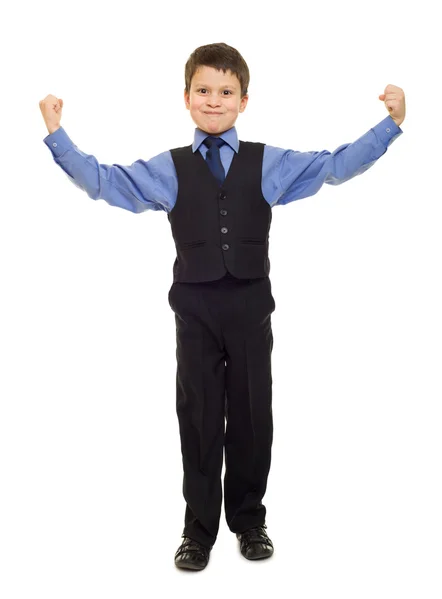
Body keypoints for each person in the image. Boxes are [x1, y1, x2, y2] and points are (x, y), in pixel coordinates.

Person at [39, 42, 406, 572]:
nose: (215, 101)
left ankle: (250, 519)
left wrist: (389, 124)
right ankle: (198, 529)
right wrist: (57, 136)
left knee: (254, 416)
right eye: (204, 91)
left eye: (226, 92)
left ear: (244, 101)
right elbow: (106, 182)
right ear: (186, 98)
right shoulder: (170, 169)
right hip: (195, 313)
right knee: (200, 416)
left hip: (251, 309)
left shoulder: (268, 163)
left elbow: (333, 166)